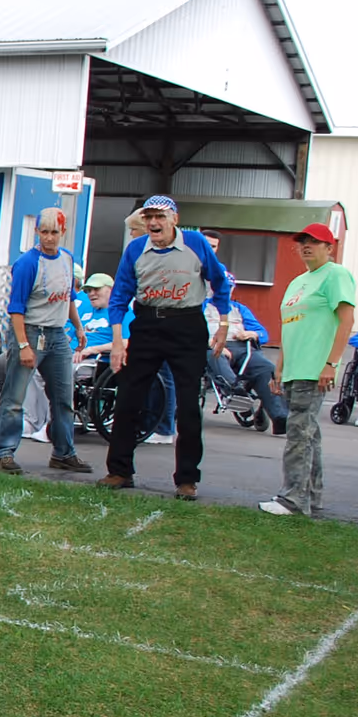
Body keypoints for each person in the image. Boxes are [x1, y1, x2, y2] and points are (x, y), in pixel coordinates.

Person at [100, 196, 233, 500]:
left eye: (159, 217)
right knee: (129, 398)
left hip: (187, 325)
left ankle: (187, 479)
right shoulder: (135, 249)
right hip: (147, 324)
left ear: (174, 218)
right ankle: (119, 470)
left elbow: (219, 283)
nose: (154, 223)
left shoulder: (197, 243)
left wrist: (223, 325)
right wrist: (118, 342)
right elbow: (120, 295)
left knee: (187, 406)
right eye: (148, 218)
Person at [258, 223, 357, 517]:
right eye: (302, 241)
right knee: (308, 434)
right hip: (294, 368)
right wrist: (280, 366)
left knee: (299, 434)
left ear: (330, 248)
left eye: (315, 242)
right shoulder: (298, 282)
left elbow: (346, 320)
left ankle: (292, 499)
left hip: (314, 369)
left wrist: (331, 362)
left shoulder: (335, 274)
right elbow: (292, 328)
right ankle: (311, 497)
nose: (307, 246)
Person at [0, 208, 90, 474]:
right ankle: (5, 452)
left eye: (54, 233)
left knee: (63, 397)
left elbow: (68, 298)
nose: (49, 238)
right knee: (14, 396)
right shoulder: (27, 263)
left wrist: (78, 327)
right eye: (44, 232)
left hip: (58, 333)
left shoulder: (67, 259)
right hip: (32, 331)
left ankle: (63, 452)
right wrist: (23, 345)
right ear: (37, 232)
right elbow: (16, 308)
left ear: (63, 233)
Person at [205, 299, 287, 432]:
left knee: (266, 368)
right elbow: (192, 331)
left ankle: (280, 417)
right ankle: (236, 391)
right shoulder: (203, 306)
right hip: (212, 345)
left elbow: (262, 334)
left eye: (229, 287)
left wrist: (252, 334)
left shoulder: (239, 308)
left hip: (242, 347)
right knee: (215, 356)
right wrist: (212, 343)